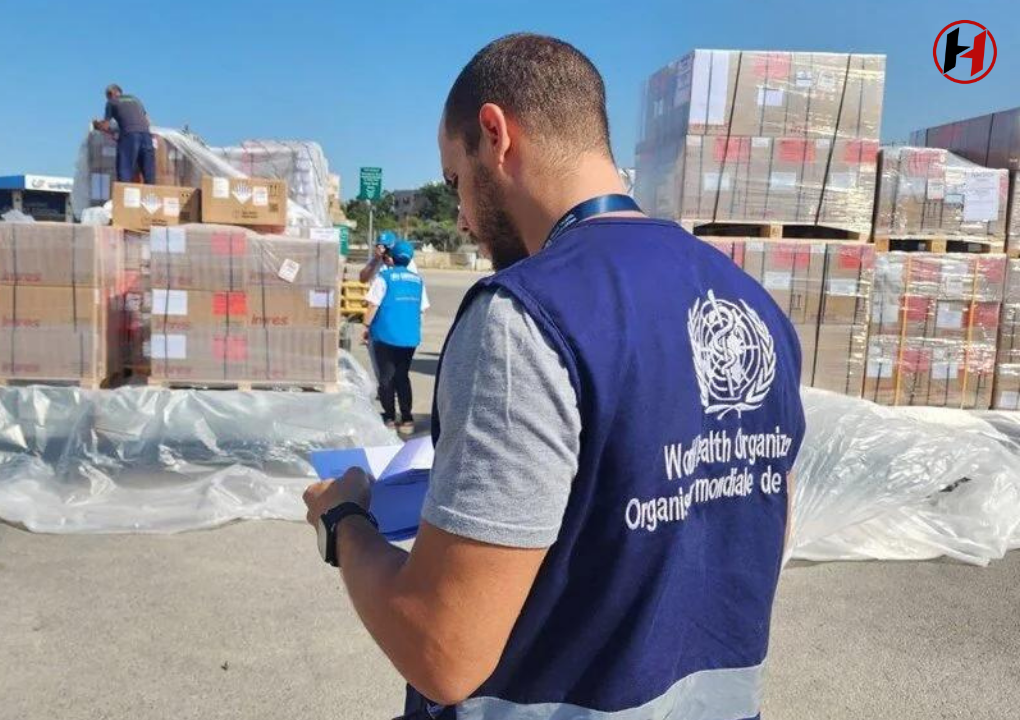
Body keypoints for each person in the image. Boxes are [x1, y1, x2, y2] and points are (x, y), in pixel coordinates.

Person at [303, 33, 805, 720]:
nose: (462, 217)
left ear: (495, 134)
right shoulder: (753, 304)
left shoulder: (526, 316)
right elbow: (755, 535)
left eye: (456, 182)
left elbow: (441, 651)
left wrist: (344, 520)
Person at [364, 240, 428, 434]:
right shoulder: (418, 281)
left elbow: (373, 305)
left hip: (385, 334)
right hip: (409, 337)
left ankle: (390, 417)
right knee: (402, 376)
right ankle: (407, 419)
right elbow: (422, 309)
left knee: (386, 377)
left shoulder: (384, 277)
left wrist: (366, 326)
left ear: (392, 257)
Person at [94, 84, 156, 185]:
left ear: (110, 94)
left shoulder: (111, 102)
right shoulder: (135, 99)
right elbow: (148, 121)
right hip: (146, 135)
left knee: (124, 173)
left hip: (129, 135)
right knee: (149, 175)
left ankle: (124, 199)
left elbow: (105, 126)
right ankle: (151, 198)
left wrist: (97, 125)